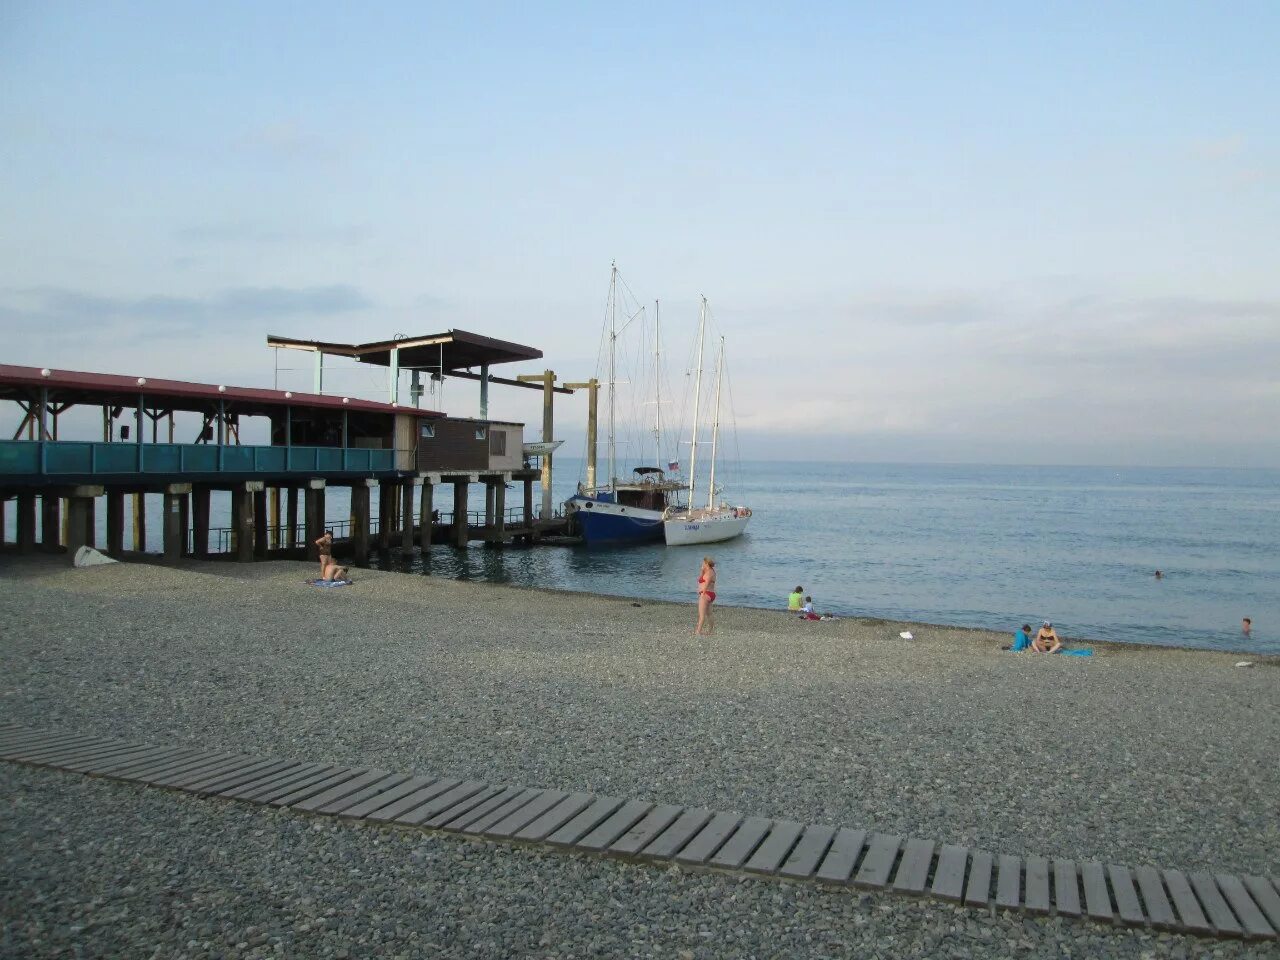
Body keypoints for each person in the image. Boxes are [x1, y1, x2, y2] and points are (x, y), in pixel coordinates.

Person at [695, 557, 717, 636]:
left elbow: (707, 583)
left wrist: (702, 593)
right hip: (711, 594)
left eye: (703, 563)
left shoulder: (709, 573)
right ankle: (710, 631)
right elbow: (700, 579)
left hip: (706, 594)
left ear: (707, 563)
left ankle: (698, 632)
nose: (702, 564)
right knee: (709, 614)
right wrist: (702, 570)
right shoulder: (710, 571)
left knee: (702, 615)